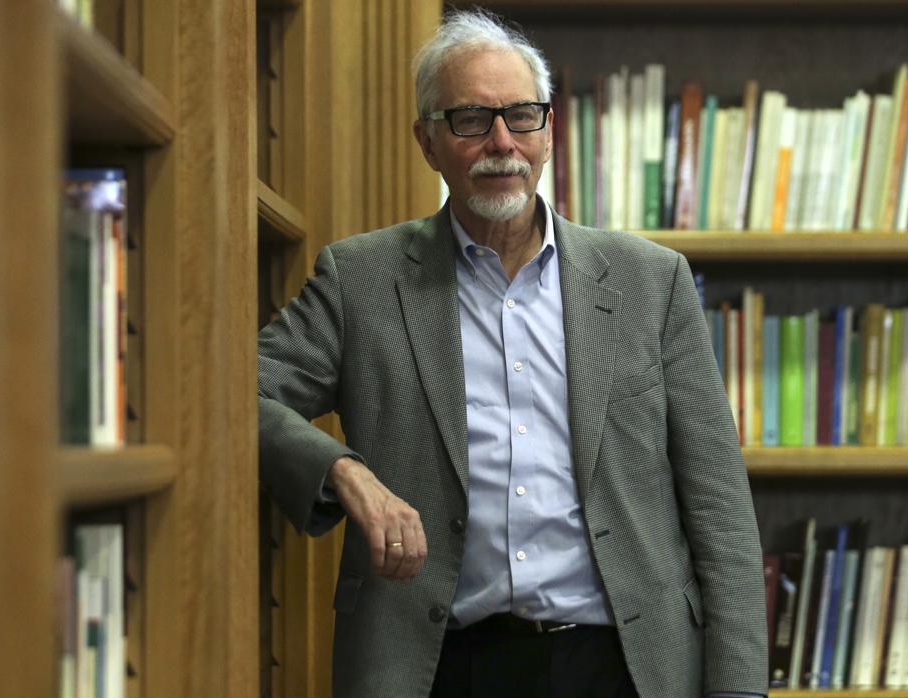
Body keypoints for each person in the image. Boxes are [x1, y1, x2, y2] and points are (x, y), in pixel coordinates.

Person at [259, 9, 767, 698]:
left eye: (522, 116)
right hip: (436, 666)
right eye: (470, 118)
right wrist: (344, 472)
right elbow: (239, 393)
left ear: (549, 132)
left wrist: (738, 689)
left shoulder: (652, 283)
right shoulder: (362, 282)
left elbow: (720, 511)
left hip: (624, 664)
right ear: (427, 142)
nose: (503, 142)